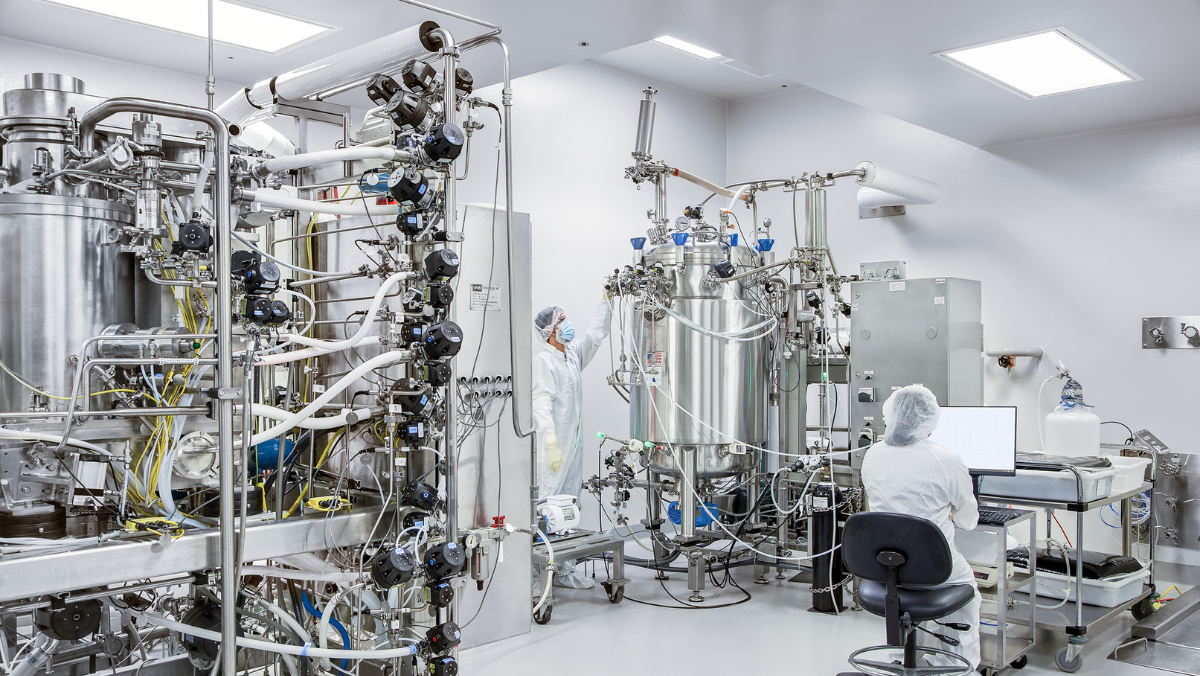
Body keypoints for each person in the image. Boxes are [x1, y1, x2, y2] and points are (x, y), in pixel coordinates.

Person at [860, 385, 981, 670]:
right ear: (930, 418)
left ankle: (899, 659)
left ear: (890, 414)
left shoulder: (873, 455)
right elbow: (968, 520)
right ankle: (954, 665)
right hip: (933, 571)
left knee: (904, 583)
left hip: (882, 570)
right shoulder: (946, 459)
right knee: (968, 588)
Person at [531, 297, 612, 588]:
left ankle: (563, 571)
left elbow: (594, 337)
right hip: (553, 446)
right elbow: (540, 405)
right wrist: (551, 444)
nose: (567, 324)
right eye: (562, 320)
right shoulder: (544, 360)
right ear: (550, 330)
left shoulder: (572, 354)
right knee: (546, 506)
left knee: (569, 505)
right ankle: (537, 578)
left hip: (573, 444)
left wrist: (605, 301)